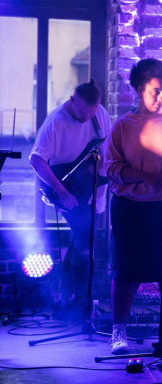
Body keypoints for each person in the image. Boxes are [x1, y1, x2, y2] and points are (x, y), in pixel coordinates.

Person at [105, 59, 162, 354]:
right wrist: (146, 176)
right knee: (127, 269)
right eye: (155, 91)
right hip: (131, 208)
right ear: (138, 89)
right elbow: (111, 168)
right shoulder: (123, 126)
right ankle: (118, 331)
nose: (161, 97)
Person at [30, 79, 111, 302]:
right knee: (84, 241)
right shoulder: (56, 122)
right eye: (83, 112)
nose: (87, 117)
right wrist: (63, 193)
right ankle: (81, 298)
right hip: (65, 188)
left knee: (81, 240)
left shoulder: (100, 114)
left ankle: (68, 294)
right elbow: (36, 160)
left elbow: (105, 150)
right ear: (72, 100)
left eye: (91, 112)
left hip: (92, 189)